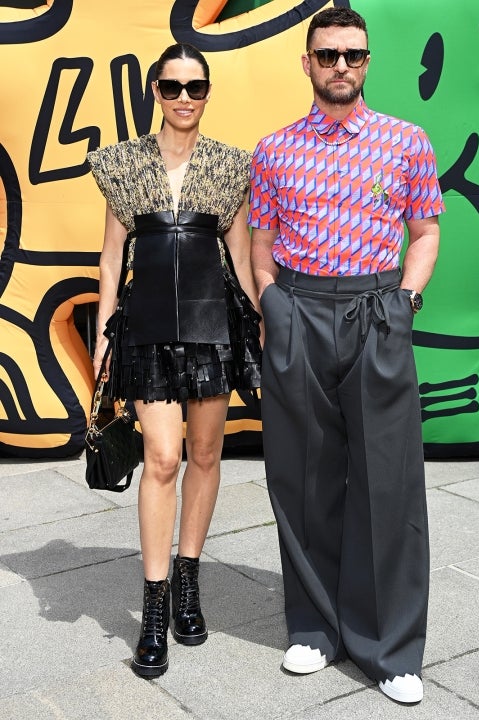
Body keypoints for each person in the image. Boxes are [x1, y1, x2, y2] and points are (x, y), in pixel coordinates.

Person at [248, 7, 444, 705]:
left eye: (352, 55)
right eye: (326, 54)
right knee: (300, 479)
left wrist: (404, 303)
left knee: (388, 484)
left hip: (375, 312)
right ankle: (313, 629)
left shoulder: (405, 141)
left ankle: (390, 647)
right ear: (305, 61)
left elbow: (423, 230)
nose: (340, 66)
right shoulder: (271, 150)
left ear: (366, 61)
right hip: (298, 310)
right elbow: (259, 245)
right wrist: (271, 305)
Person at [87, 42, 261, 679]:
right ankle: (154, 608)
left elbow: (240, 257)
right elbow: (111, 256)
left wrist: (260, 325)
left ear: (207, 92)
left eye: (195, 87)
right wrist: (105, 333)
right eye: (171, 86)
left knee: (207, 455)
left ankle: (189, 581)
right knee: (162, 457)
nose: (183, 98)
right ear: (154, 91)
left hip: (214, 326)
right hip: (147, 327)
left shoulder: (230, 166)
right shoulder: (122, 164)